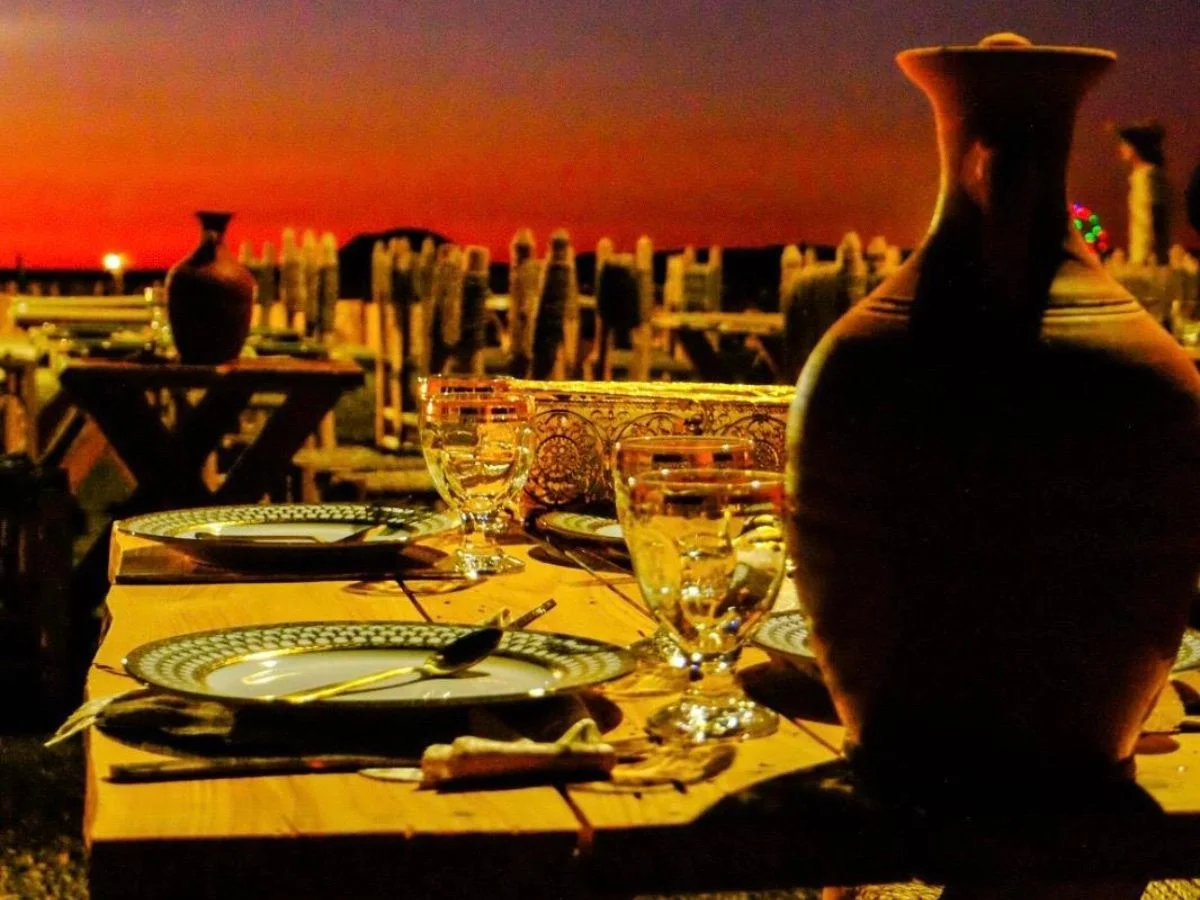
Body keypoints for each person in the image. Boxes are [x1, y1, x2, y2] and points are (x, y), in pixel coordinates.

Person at [1116, 120, 1170, 264]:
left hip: (1147, 259)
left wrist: (1158, 257)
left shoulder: (1148, 177)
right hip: (1143, 256)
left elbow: (1157, 215)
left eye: (1125, 144)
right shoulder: (1143, 176)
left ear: (1136, 148)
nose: (1121, 149)